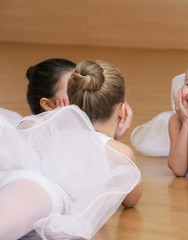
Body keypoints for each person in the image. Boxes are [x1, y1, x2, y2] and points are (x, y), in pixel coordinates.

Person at [0, 60, 142, 239]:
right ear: (123, 111)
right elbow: (131, 200)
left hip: (19, 180)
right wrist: (115, 144)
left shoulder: (59, 132)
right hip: (42, 195)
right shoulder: (120, 152)